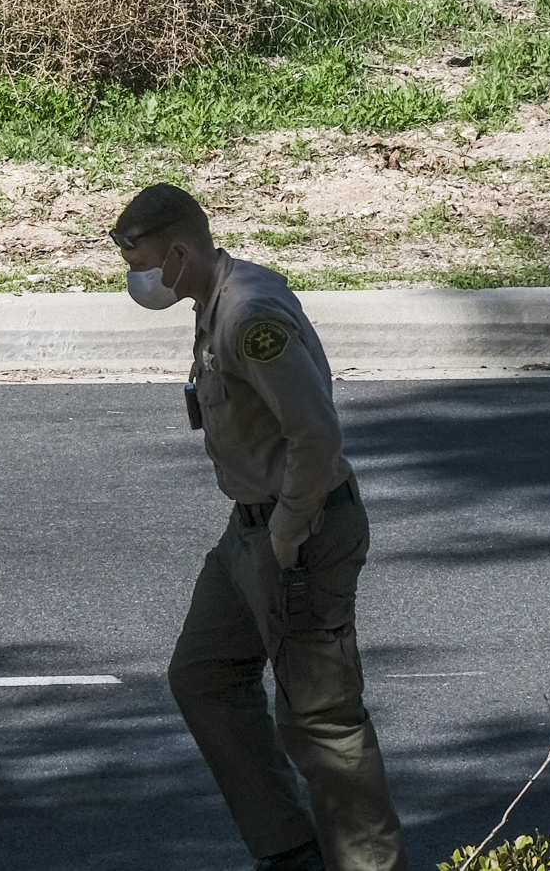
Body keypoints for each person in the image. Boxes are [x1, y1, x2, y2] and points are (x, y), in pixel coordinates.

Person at [111, 183, 409, 871]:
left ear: (179, 254)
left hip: (298, 531)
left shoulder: (249, 315)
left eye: (144, 264)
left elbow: (315, 434)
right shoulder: (215, 300)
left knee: (322, 721)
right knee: (204, 675)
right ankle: (290, 850)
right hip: (247, 529)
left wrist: (286, 532)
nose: (139, 280)